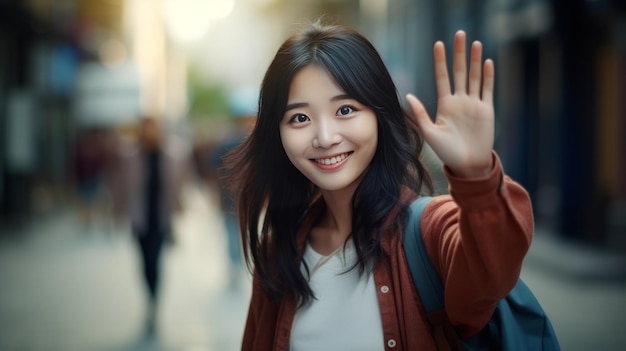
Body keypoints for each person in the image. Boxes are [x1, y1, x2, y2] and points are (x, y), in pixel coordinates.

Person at [225, 21, 533, 350]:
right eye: (300, 118)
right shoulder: (278, 252)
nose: (325, 137)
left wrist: (476, 176)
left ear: (379, 115)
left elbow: (494, 269)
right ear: (278, 133)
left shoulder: (430, 230)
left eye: (345, 110)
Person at [110, 116, 190, 336]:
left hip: (162, 219)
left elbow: (181, 181)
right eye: (146, 129)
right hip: (140, 218)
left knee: (156, 261)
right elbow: (120, 185)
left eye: (153, 129)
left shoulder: (170, 154)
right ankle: (150, 297)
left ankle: (153, 303)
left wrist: (181, 206)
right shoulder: (131, 155)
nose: (150, 133)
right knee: (144, 263)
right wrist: (116, 212)